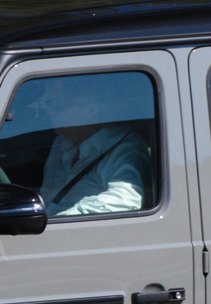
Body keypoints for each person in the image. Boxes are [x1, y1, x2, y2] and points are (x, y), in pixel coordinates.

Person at [9, 75, 153, 216]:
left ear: (91, 111)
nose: (48, 111)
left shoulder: (124, 149)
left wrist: (63, 218)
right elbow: (46, 195)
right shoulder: (61, 143)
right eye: (48, 103)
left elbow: (125, 200)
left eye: (57, 106)